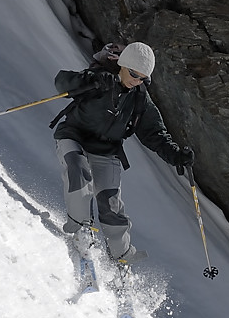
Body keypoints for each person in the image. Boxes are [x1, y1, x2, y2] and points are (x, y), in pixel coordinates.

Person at [52, 41, 194, 273]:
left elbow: (155, 133)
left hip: (107, 150)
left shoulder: (139, 98)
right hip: (74, 136)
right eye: (134, 74)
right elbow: (62, 81)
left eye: (142, 78)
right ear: (123, 65)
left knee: (110, 203)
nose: (136, 81)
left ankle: (121, 258)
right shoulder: (99, 76)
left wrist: (177, 156)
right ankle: (81, 230)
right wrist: (90, 82)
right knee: (77, 169)